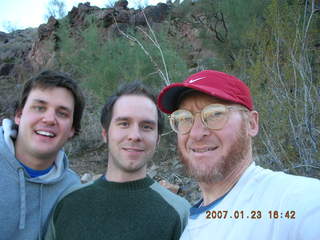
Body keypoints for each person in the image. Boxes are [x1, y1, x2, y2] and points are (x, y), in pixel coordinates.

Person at [157, 70, 320, 240]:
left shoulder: (296, 202)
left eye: (215, 114)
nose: (196, 133)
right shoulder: (188, 230)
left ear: (251, 123)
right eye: (184, 118)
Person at [45, 81, 190, 240]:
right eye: (124, 124)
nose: (134, 135)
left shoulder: (180, 214)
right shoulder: (68, 203)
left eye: (146, 126)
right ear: (105, 134)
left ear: (157, 140)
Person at [0, 70, 85, 240]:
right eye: (39, 107)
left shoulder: (72, 192)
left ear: (72, 129)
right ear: (19, 115)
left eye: (62, 113)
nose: (49, 119)